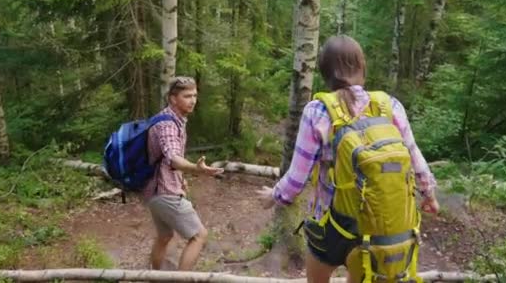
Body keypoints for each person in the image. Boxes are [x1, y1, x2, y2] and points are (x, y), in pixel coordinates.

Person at [257, 35, 440, 283]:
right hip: (378, 227)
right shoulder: (390, 106)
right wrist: (429, 194)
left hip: (332, 224)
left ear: (325, 71)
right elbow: (414, 156)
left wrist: (275, 197)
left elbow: (297, 178)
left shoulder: (318, 111)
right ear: (362, 66)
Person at [142, 76, 224, 270]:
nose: (193, 100)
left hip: (153, 191)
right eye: (187, 96)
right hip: (165, 192)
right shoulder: (168, 125)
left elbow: (165, 159)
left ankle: (155, 278)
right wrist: (196, 169)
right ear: (172, 98)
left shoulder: (170, 119)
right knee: (199, 236)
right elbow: (172, 157)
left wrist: (181, 178)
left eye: (195, 95)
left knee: (165, 236)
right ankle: (181, 279)